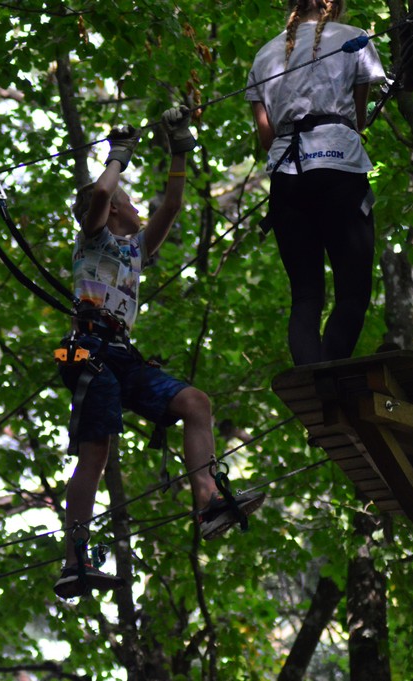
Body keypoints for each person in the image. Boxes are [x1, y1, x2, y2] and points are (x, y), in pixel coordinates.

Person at [53, 107, 265, 599]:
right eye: (126, 202)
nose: (131, 206)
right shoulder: (93, 241)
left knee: (196, 403)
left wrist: (179, 150)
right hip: (88, 352)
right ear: (110, 213)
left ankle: (208, 500)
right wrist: (117, 158)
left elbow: (172, 204)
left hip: (123, 356)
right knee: (97, 450)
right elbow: (102, 193)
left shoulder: (134, 250)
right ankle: (75, 557)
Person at [246, 0, 386, 366]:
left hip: (286, 176)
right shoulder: (354, 38)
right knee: (352, 293)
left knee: (306, 296)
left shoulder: (265, 55)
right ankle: (328, 378)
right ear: (333, 5)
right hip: (337, 165)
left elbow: (266, 136)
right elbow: (358, 120)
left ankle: (313, 374)